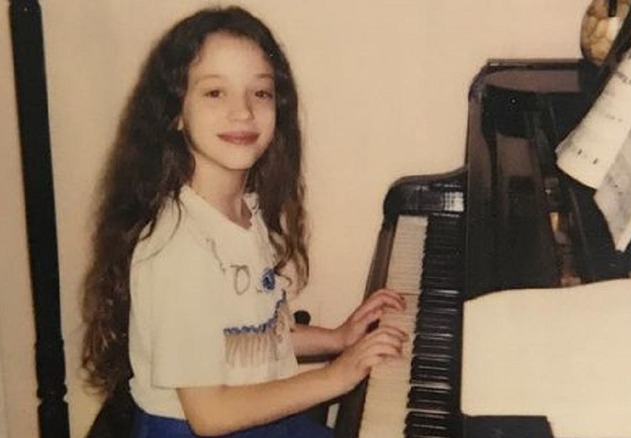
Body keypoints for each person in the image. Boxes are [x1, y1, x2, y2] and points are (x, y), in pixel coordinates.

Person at [81, 6, 407, 437]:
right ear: (175, 113)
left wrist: (338, 337)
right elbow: (209, 414)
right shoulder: (176, 250)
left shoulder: (242, 211)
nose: (243, 111)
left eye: (261, 93)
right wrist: (335, 376)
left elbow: (251, 339)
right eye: (215, 92)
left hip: (257, 416)